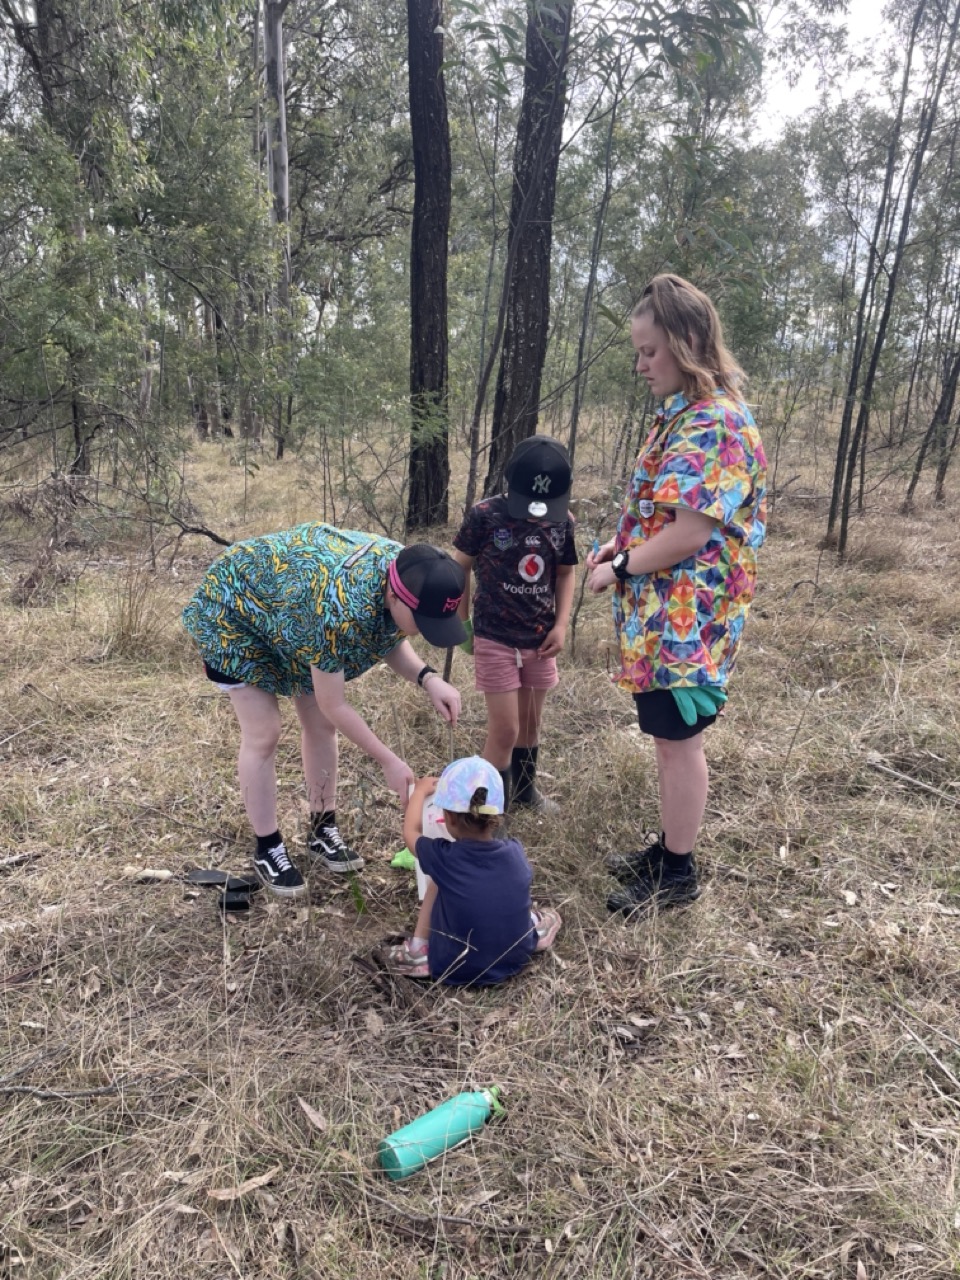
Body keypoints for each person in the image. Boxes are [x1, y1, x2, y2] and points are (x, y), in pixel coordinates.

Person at [586, 273, 767, 917]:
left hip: (689, 622)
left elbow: (690, 533)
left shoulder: (713, 421)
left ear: (686, 342)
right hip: (667, 617)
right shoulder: (684, 415)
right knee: (667, 738)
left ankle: (678, 873)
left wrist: (621, 567)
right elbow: (663, 513)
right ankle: (668, 850)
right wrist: (620, 543)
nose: (640, 365)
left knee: (678, 741)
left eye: (649, 351)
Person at [182, 524, 466, 899]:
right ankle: (268, 848)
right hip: (236, 609)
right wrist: (389, 761)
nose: (423, 631)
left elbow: (390, 637)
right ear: (395, 596)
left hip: (292, 611)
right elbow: (335, 704)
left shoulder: (407, 569)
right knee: (264, 732)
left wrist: (429, 679)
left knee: (318, 724)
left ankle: (322, 828)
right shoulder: (338, 607)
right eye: (423, 620)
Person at [452, 436, 578, 812]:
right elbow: (460, 565)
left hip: (540, 639)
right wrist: (462, 621)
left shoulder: (563, 522)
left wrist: (561, 625)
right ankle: (491, 808)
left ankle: (524, 793)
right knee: (505, 729)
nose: (536, 515)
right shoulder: (485, 515)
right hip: (495, 636)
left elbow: (566, 573)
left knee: (530, 723)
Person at [384, 757, 562, 984]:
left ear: (448, 817)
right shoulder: (515, 851)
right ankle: (534, 928)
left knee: (437, 880)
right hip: (518, 957)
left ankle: (418, 949)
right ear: (496, 816)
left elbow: (411, 832)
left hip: (454, 966)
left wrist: (418, 793)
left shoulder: (444, 859)